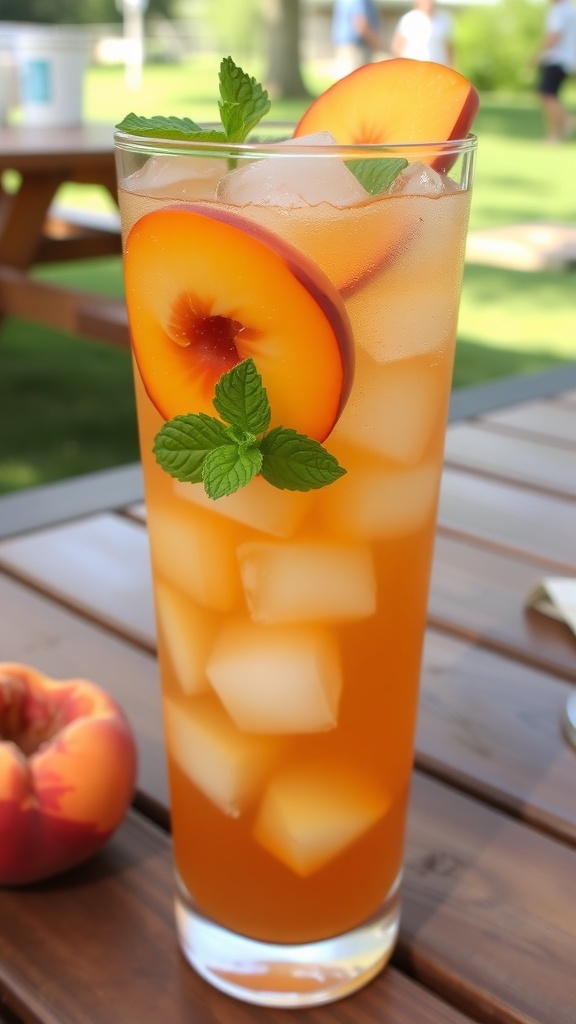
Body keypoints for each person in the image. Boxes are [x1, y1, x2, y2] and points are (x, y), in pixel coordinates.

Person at [535, 0, 576, 143]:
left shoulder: (558, 11)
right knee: (551, 96)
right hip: (567, 61)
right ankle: (555, 135)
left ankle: (565, 123)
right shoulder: (569, 10)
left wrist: (539, 55)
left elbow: (554, 35)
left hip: (556, 59)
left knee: (547, 95)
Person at [391, 0, 454, 67]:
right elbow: (397, 46)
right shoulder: (408, 19)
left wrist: (452, 66)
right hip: (412, 69)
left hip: (437, 70)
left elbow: (449, 47)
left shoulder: (444, 20)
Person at [332, 0, 382, 78]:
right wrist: (376, 44)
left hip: (344, 45)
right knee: (356, 80)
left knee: (344, 80)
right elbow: (361, 24)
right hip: (357, 48)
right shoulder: (361, 1)